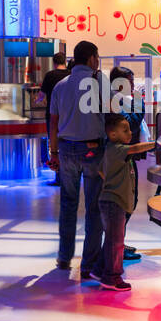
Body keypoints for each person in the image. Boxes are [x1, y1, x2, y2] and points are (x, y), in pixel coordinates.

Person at [48, 40, 106, 279]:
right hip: (93, 151)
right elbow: (116, 110)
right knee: (94, 208)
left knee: (68, 205)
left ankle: (64, 258)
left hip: (66, 150)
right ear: (92, 59)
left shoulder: (60, 86)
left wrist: (53, 153)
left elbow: (53, 122)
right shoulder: (99, 83)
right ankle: (89, 264)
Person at [96, 114, 156, 291]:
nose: (130, 133)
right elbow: (136, 148)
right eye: (125, 130)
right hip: (114, 203)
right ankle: (112, 278)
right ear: (113, 135)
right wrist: (156, 144)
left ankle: (99, 269)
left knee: (111, 240)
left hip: (113, 201)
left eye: (130, 129)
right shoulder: (117, 149)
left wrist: (114, 181)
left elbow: (101, 171)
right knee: (116, 243)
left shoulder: (113, 151)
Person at [108, 65, 147, 262]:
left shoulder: (119, 100)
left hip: (125, 156)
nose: (132, 86)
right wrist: (140, 104)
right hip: (121, 158)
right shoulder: (115, 102)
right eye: (129, 82)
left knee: (129, 200)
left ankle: (118, 243)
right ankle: (116, 247)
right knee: (125, 201)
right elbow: (131, 123)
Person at [41, 53, 70, 186]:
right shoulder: (70, 75)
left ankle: (59, 177)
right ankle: (68, 176)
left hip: (52, 115)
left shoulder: (50, 75)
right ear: (65, 61)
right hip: (68, 115)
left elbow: (41, 96)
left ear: (53, 62)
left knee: (54, 145)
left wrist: (38, 100)